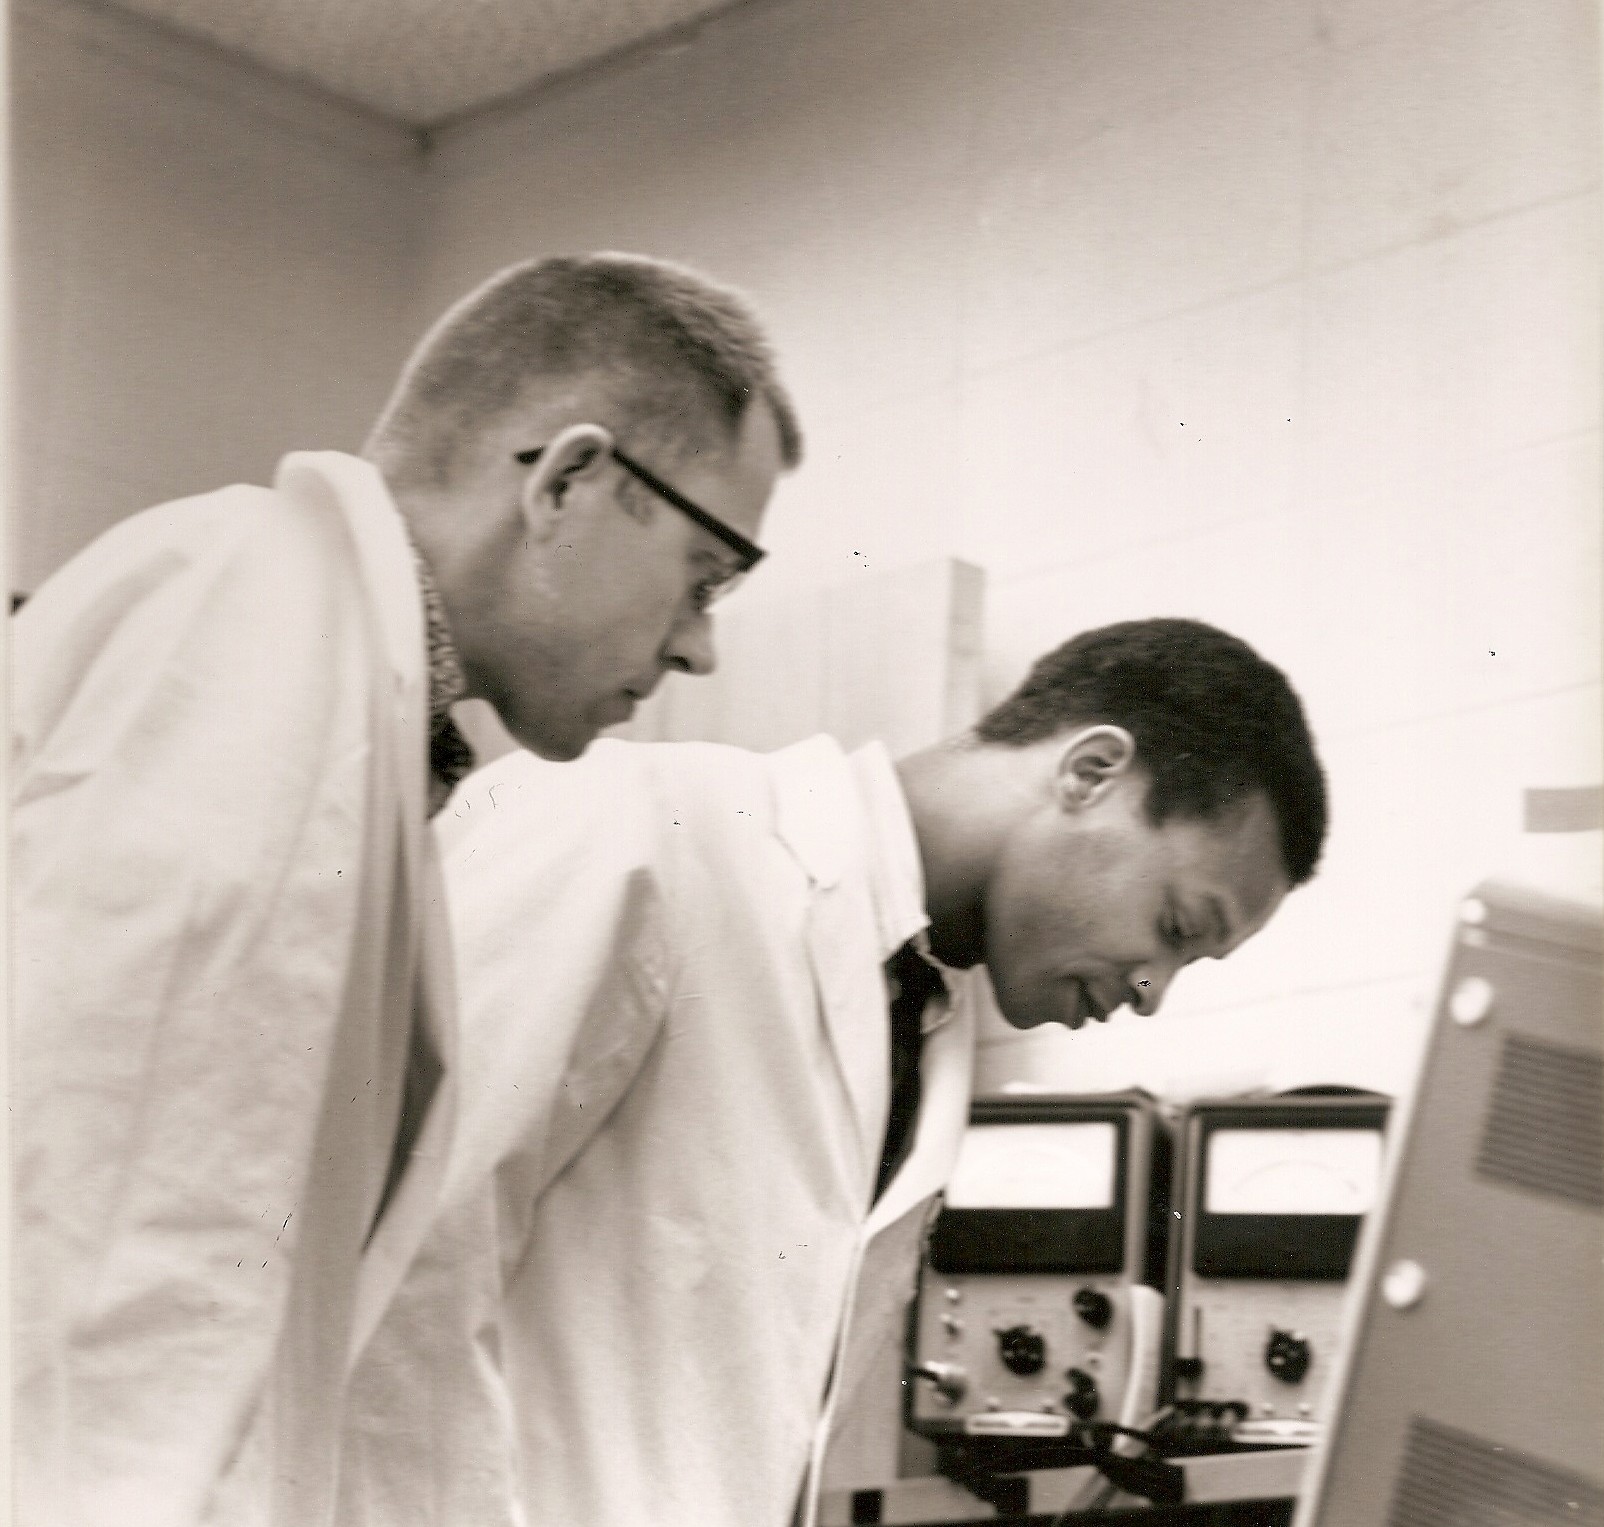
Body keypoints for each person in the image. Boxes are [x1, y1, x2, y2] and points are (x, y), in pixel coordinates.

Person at [10, 252, 800, 1526]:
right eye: (703, 577)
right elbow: (118, 1262)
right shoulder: (253, 622)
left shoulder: (340, 681)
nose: (699, 645)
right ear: (568, 482)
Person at [346, 617, 1328, 1527]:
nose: (1152, 991)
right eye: (1175, 927)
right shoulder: (645, 826)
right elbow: (389, 1258)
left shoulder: (920, 1021)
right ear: (1089, 772)